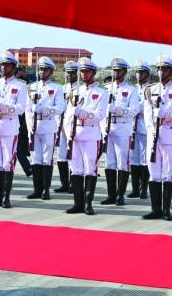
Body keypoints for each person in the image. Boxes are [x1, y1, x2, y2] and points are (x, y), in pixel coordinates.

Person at [141, 55, 172, 221]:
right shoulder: (150, 89)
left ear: (171, 71)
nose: (162, 72)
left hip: (169, 134)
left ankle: (166, 210)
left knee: (168, 172)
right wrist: (151, 128)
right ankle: (156, 209)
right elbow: (147, 113)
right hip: (153, 135)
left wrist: (167, 115)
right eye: (160, 69)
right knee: (153, 172)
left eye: (165, 69)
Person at [64, 57, 108, 215]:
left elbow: (100, 115)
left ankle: (88, 204)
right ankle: (78, 203)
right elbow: (68, 116)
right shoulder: (74, 91)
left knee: (90, 169)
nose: (83, 74)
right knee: (76, 169)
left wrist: (82, 113)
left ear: (93, 73)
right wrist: (68, 132)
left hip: (91, 133)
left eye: (86, 71)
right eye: (81, 71)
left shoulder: (102, 92)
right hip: (75, 134)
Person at [0, 52, 26, 209]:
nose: (3, 67)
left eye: (7, 65)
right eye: (2, 65)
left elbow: (21, 109)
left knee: (8, 162)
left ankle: (5, 198)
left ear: (13, 67)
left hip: (9, 126)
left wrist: (4, 107)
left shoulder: (20, 86)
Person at [99, 57, 139, 206]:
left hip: (123, 128)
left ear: (124, 72)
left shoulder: (131, 90)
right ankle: (111, 195)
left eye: (119, 70)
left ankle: (120, 195)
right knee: (109, 163)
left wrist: (117, 110)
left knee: (122, 163)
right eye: (114, 70)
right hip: (108, 129)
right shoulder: (106, 88)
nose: (116, 73)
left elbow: (135, 110)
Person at [25, 56, 65, 200]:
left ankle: (46, 190)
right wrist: (30, 125)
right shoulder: (32, 87)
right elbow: (27, 109)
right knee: (36, 159)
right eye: (40, 69)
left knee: (47, 159)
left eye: (45, 69)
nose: (42, 72)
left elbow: (61, 107)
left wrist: (48, 109)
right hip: (35, 127)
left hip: (48, 126)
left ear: (50, 71)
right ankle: (37, 189)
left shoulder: (56, 88)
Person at [126, 60, 152, 199]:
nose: (139, 75)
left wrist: (136, 108)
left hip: (144, 125)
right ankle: (135, 188)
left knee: (144, 159)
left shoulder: (152, 89)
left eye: (141, 72)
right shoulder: (132, 89)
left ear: (147, 74)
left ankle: (144, 188)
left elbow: (147, 108)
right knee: (133, 159)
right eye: (137, 72)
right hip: (131, 126)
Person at [53, 60, 79, 193]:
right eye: (67, 72)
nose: (69, 75)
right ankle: (64, 183)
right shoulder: (62, 88)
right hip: (60, 124)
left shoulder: (79, 88)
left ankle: (74, 184)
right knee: (61, 155)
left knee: (72, 154)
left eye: (72, 72)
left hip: (72, 125)